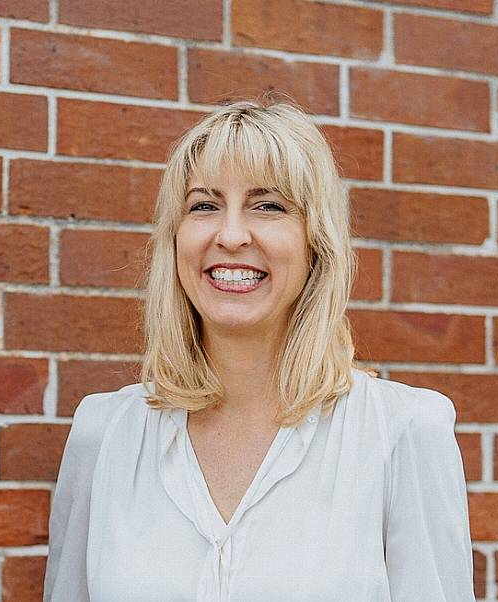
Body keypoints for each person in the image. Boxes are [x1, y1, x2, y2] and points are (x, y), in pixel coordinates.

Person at [44, 100, 474, 601]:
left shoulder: (403, 433)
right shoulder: (105, 434)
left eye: (267, 206)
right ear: (175, 238)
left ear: (316, 243)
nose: (229, 235)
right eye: (204, 205)